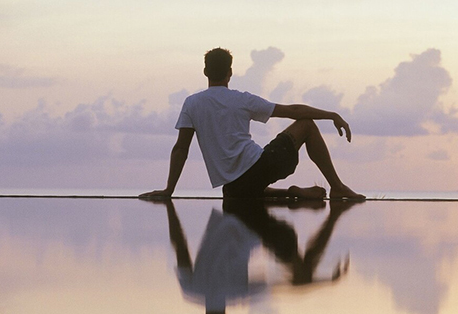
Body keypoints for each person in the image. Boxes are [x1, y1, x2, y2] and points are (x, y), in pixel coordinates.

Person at [139, 48, 364, 200]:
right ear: (230, 73)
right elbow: (293, 111)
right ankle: (336, 186)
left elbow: (181, 149)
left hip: (232, 188)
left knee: (244, 187)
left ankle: (291, 192)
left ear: (206, 71)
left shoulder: (192, 104)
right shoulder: (242, 100)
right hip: (261, 168)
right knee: (306, 125)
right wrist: (332, 114)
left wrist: (169, 190)